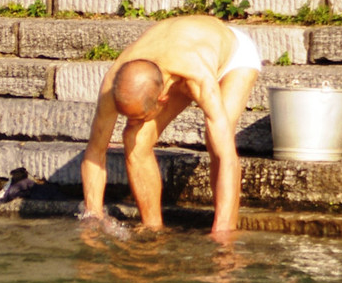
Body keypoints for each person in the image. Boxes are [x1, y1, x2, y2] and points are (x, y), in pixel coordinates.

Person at [81, 15, 261, 235]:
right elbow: (95, 152)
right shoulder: (114, 83)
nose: (132, 122)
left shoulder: (199, 77)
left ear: (162, 99)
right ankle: (153, 229)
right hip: (176, 57)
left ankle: (224, 232)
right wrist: (93, 217)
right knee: (134, 138)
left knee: (216, 141)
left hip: (233, 57)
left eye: (138, 116)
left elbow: (227, 158)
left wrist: (221, 240)